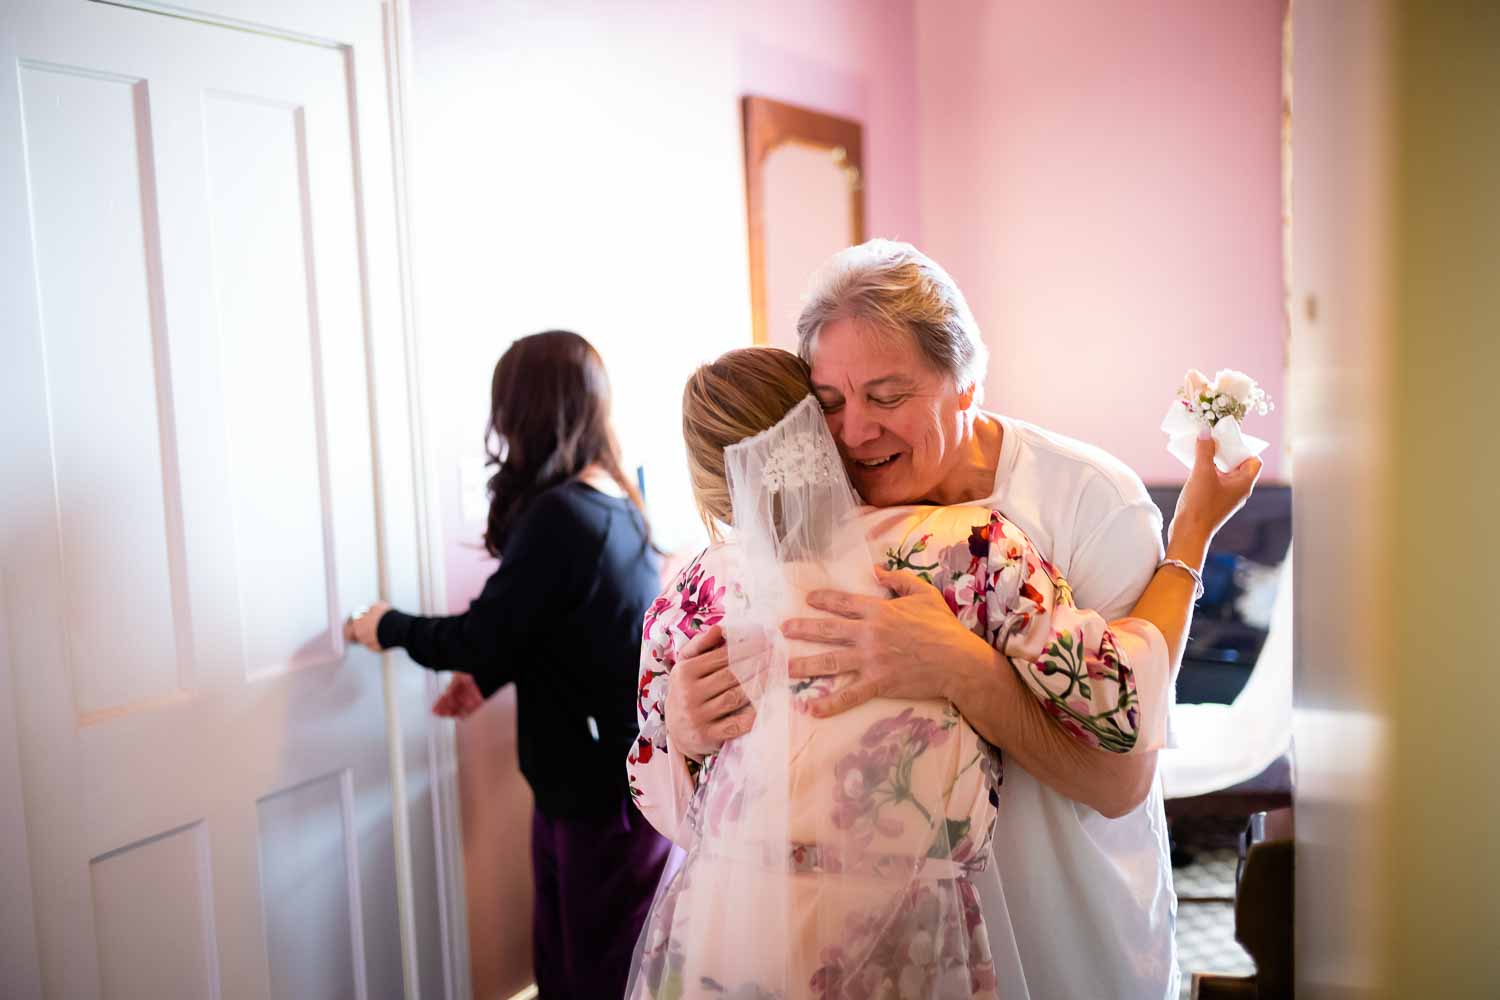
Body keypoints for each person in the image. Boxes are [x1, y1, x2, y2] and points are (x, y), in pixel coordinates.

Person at [663, 242, 1263, 999]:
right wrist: (685, 731)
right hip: (864, 953)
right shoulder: (809, 520)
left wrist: (963, 668)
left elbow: (1119, 781)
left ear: (968, 384)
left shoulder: (1083, 501)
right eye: (831, 404)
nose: (854, 434)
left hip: (1060, 923)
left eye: (887, 396)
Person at [343, 330, 670, 999]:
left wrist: (386, 626)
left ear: (522, 412)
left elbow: (482, 633)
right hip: (606, 785)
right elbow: (564, 626)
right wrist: (489, 677)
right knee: (579, 967)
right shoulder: (615, 502)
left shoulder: (563, 516)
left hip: (597, 797)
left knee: (591, 977)